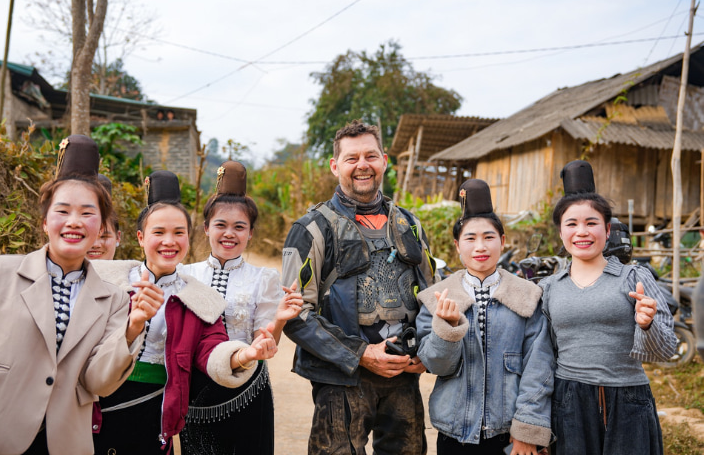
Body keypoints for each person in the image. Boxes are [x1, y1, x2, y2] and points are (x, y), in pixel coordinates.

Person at [0, 135, 161, 455]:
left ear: (101, 225)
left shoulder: (115, 300)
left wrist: (133, 326)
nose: (74, 222)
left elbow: (98, 383)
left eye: (88, 213)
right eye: (62, 210)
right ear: (44, 222)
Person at [92, 170, 279, 454]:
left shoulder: (199, 298)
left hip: (158, 407)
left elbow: (210, 349)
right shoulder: (108, 281)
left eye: (178, 233)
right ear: (140, 237)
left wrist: (245, 354)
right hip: (98, 404)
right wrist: (133, 324)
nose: (169, 241)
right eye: (159, 232)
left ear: (190, 238)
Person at [281, 119, 437, 455]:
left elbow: (432, 295)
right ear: (335, 166)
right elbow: (293, 314)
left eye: (370, 156)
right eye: (352, 158)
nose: (362, 165)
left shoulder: (409, 224)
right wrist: (362, 354)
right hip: (341, 378)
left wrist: (427, 349)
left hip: (402, 376)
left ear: (384, 160)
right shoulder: (310, 229)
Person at [541, 160, 676, 455]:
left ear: (607, 228)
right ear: (561, 233)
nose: (582, 232)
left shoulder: (635, 277)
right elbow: (541, 354)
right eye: (572, 224)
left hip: (628, 401)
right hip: (569, 402)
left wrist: (647, 324)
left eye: (591, 223)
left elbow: (668, 349)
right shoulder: (549, 288)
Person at [415, 179, 554, 455]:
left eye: (489, 237)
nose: (480, 246)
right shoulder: (437, 297)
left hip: (509, 434)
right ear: (457, 245)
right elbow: (434, 365)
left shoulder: (527, 296)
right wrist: (447, 328)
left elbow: (539, 368)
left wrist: (526, 431)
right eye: (470, 238)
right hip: (454, 432)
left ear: (502, 242)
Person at [179, 160, 303, 455]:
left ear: (250, 234)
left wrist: (280, 320)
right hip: (197, 390)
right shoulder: (185, 276)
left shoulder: (264, 279)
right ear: (206, 228)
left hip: (249, 389)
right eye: (220, 225)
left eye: (239, 227)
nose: (229, 234)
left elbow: (266, 340)